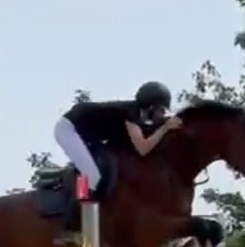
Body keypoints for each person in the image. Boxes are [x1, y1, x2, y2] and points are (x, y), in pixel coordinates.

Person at [54, 81, 182, 195]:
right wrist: (165, 128)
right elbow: (143, 148)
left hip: (88, 136)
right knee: (92, 177)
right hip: (69, 129)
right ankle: (80, 212)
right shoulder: (131, 113)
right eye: (161, 110)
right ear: (151, 107)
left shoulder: (138, 115)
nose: (162, 114)